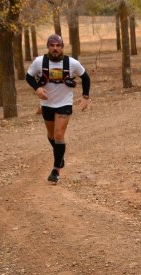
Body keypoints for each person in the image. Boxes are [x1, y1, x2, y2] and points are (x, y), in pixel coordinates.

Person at [25, 34, 91, 183]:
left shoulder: (72, 63)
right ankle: (60, 157)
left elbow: (86, 78)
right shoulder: (39, 62)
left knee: (59, 134)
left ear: (62, 47)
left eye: (58, 46)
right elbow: (28, 77)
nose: (55, 48)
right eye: (52, 45)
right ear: (48, 47)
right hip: (47, 104)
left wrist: (85, 97)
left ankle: (56, 170)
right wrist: (37, 89)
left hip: (64, 103)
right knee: (51, 135)